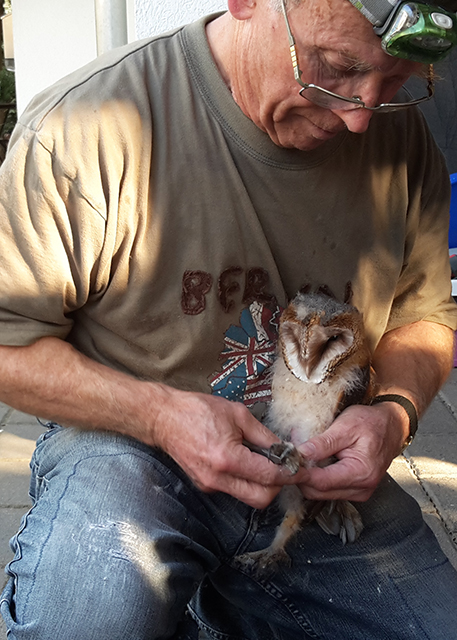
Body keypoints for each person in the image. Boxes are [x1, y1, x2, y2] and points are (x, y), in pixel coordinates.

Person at [1, 0, 457, 637]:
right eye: (333, 67)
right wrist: (159, 414)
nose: (360, 116)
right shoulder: (85, 129)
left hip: (312, 468)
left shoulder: (399, 138)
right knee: (84, 619)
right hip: (132, 448)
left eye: (397, 83)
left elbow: (427, 314)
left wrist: (396, 413)